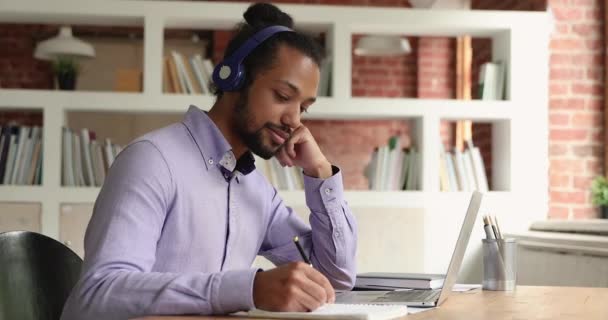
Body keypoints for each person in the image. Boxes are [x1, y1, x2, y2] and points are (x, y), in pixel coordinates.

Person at [60, 2, 357, 319]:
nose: (293, 120)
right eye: (283, 97)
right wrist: (248, 289)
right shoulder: (152, 161)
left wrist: (320, 173)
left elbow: (335, 277)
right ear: (233, 78)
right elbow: (98, 294)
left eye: (304, 108)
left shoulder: (257, 191)